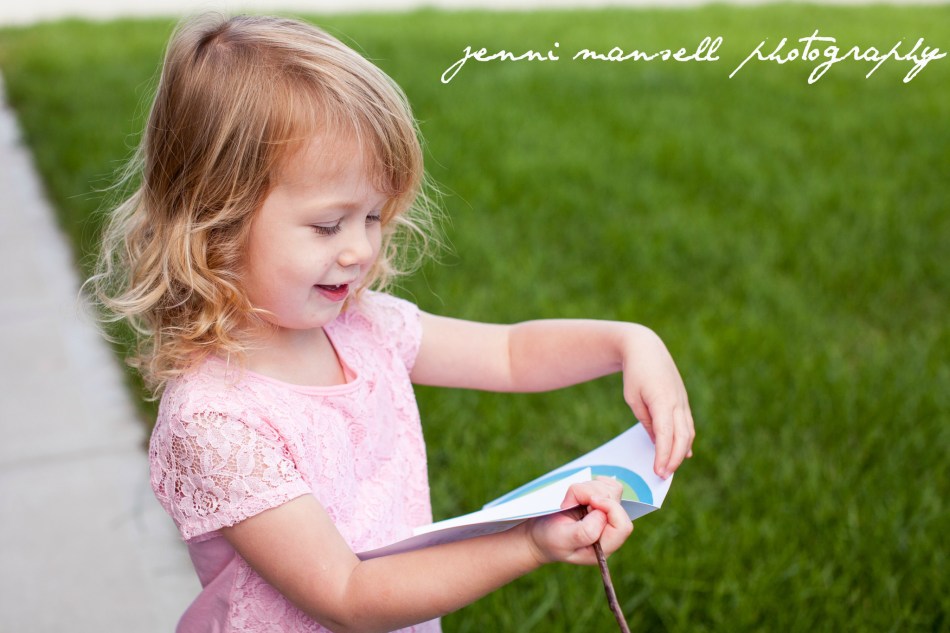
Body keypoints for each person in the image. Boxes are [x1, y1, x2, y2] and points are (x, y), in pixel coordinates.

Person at [91, 13, 695, 633]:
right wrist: (528, 544)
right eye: (329, 225)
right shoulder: (216, 421)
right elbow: (348, 595)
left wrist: (629, 344)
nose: (359, 250)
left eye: (374, 216)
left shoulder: (361, 327)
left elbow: (510, 354)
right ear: (216, 219)